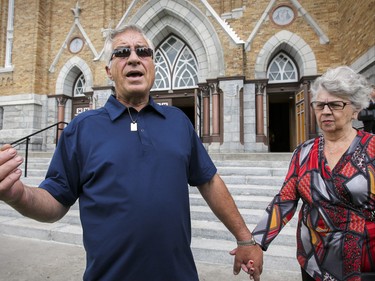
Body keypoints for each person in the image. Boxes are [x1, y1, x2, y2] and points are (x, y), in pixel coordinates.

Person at [0, 25, 262, 281]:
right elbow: (55, 201)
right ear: (109, 71)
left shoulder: (178, 122)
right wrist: (18, 194)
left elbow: (209, 180)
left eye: (143, 52)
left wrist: (245, 237)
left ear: (153, 67)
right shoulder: (82, 128)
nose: (134, 58)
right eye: (122, 52)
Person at [249, 66, 375, 281]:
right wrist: (256, 242)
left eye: (335, 104)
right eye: (319, 105)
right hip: (313, 263)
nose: (325, 111)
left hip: (364, 266)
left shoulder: (371, 148)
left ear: (355, 109)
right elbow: (285, 200)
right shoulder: (304, 152)